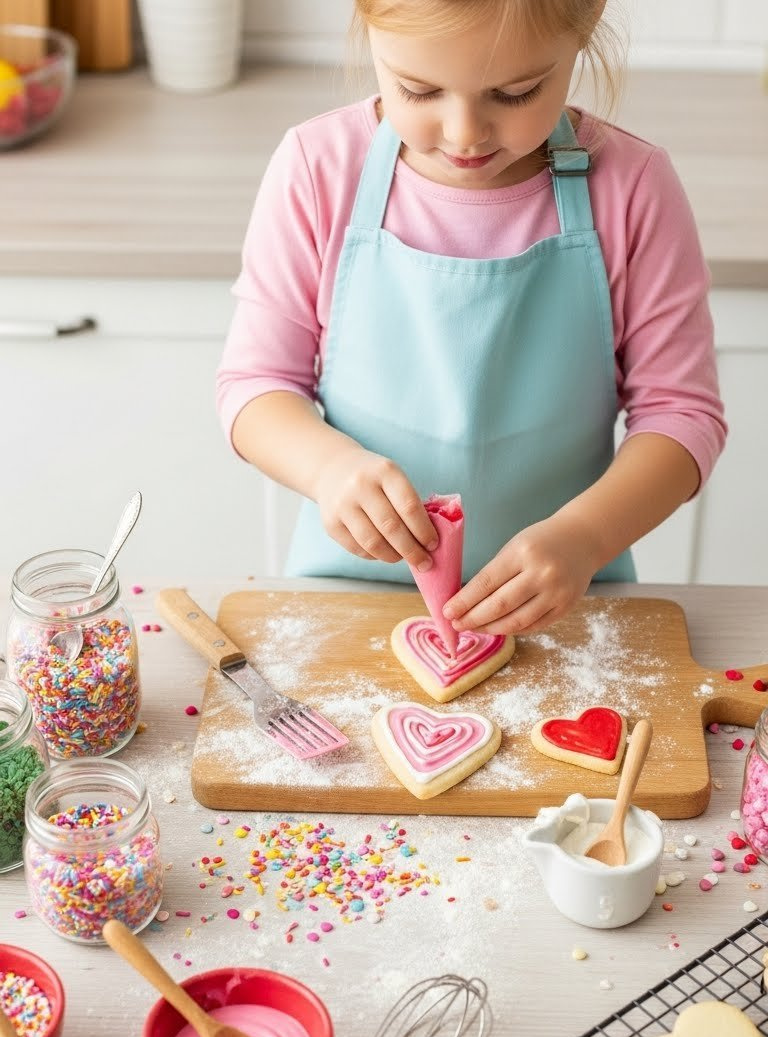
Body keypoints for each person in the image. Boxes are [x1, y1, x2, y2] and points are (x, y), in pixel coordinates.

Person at [216, 0, 726, 637]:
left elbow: (683, 417)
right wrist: (327, 468)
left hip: (569, 610)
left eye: (516, 93)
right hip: (346, 600)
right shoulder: (318, 170)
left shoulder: (632, 187)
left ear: (587, 21)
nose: (464, 133)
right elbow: (255, 387)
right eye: (418, 89)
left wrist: (584, 537)